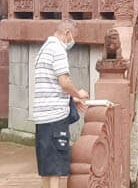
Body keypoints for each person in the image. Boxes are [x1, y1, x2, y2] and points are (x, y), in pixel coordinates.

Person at [31, 19, 99, 188]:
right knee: (56, 166)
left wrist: (71, 99)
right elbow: (64, 82)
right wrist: (78, 94)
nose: (72, 41)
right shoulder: (58, 50)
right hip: (55, 115)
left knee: (46, 165)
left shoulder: (44, 49)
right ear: (67, 33)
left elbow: (51, 83)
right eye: (72, 37)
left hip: (42, 115)